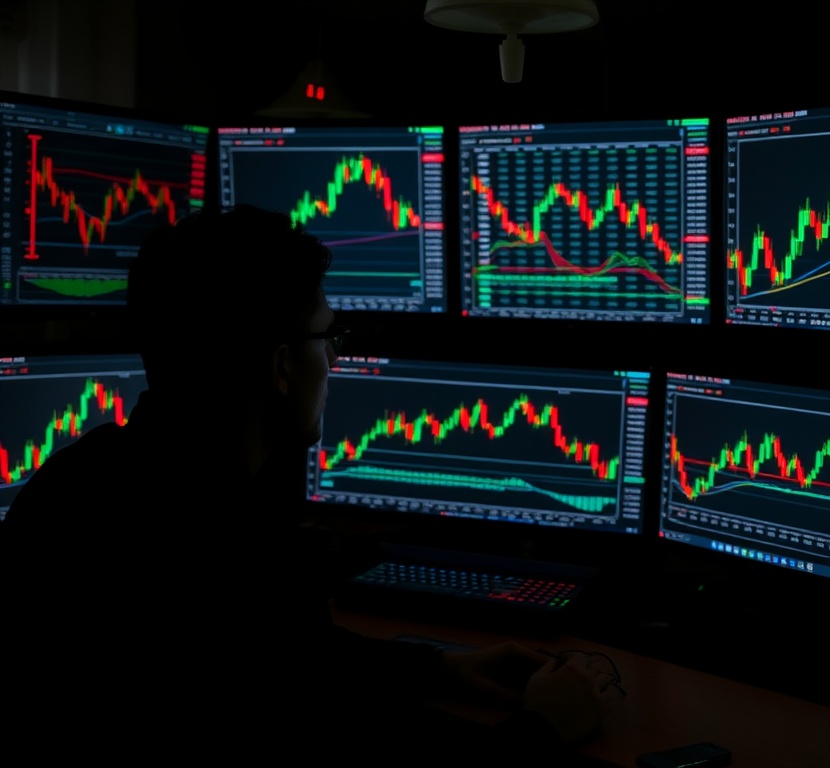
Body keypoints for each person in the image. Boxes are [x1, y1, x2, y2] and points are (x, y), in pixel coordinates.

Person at [0, 205, 624, 763]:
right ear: (279, 366)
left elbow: (290, 659)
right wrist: (545, 726)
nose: (334, 361)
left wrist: (439, 667)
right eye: (328, 337)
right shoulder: (236, 551)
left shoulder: (81, 484)